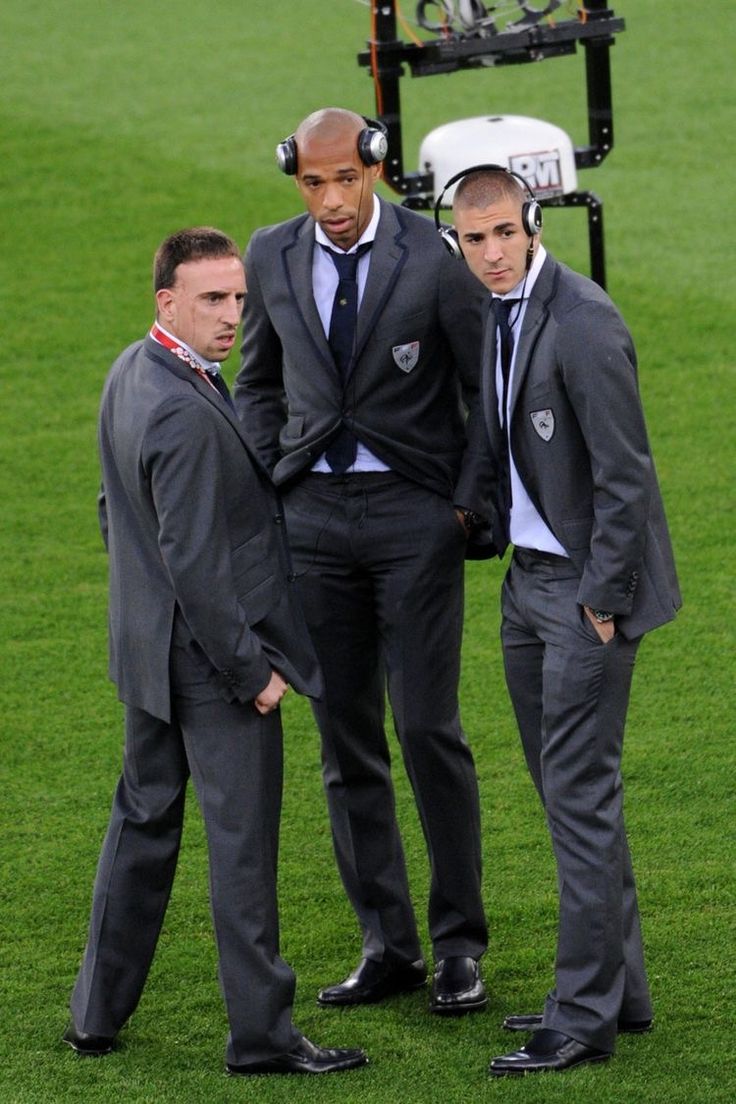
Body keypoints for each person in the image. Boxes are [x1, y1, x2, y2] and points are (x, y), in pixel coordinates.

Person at [62, 227, 367, 1077]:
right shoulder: (181, 411)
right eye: (212, 300)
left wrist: (145, 608)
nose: (233, 316)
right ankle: (265, 1039)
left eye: (239, 299)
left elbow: (113, 510)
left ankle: (95, 1015)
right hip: (211, 666)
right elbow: (196, 562)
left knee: (142, 825)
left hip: (147, 656)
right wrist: (253, 673)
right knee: (240, 850)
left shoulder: (134, 371)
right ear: (169, 302)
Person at [234, 108, 490, 1015]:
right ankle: (389, 945)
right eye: (313, 183)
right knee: (346, 744)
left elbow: (481, 385)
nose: (332, 201)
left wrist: (465, 505)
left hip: (414, 521)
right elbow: (256, 382)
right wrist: (273, 479)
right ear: (294, 178)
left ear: (376, 168)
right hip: (311, 523)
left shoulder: (433, 256)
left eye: (346, 179)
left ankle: (461, 944)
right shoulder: (269, 255)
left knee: (428, 730)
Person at [450, 167, 681, 1075]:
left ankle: (582, 1017)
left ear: (533, 224)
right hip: (526, 581)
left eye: (505, 233)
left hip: (583, 593)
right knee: (566, 796)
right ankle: (619, 989)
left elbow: (630, 475)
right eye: (475, 241)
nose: (493, 254)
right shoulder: (497, 314)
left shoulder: (583, 322)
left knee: (580, 799)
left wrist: (603, 600)